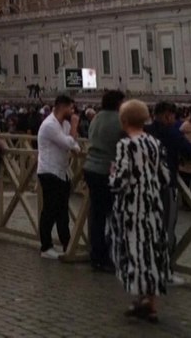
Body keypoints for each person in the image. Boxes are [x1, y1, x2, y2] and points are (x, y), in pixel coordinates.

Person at [108, 100, 171, 324]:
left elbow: (120, 180)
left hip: (133, 208)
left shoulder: (126, 145)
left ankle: (143, 301)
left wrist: (112, 174)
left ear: (123, 121)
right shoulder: (155, 143)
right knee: (152, 252)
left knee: (135, 251)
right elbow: (165, 177)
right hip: (153, 205)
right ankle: (150, 305)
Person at [145, 101, 191, 283]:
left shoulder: (146, 130)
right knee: (166, 229)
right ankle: (163, 271)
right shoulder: (172, 133)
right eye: (173, 116)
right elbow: (190, 151)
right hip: (165, 186)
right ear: (168, 116)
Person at [83, 90, 125, 273]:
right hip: (107, 170)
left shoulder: (97, 117)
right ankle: (105, 255)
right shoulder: (119, 120)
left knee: (96, 215)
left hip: (90, 168)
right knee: (113, 214)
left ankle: (96, 254)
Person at [36, 94, 81, 258]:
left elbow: (74, 144)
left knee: (62, 211)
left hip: (62, 172)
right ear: (62, 107)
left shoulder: (65, 124)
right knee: (50, 210)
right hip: (49, 171)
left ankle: (67, 244)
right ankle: (45, 247)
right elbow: (68, 143)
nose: (73, 111)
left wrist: (74, 143)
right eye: (70, 107)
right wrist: (75, 126)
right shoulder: (49, 125)